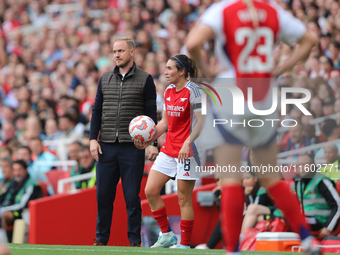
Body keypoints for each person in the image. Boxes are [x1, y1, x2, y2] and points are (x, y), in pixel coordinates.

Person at [186, 0, 321, 254]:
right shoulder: (272, 10)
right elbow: (310, 40)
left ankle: (232, 249)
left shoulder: (223, 9)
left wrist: (206, 70)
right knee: (270, 177)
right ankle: (306, 237)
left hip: (230, 94)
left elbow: (193, 43)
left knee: (230, 179)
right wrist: (280, 68)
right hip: (263, 97)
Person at [90, 37, 158, 247]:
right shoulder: (105, 78)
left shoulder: (146, 79)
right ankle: (101, 240)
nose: (117, 54)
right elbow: (97, 111)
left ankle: (135, 242)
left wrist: (152, 144)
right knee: (103, 196)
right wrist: (93, 139)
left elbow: (150, 115)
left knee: (131, 198)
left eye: (120, 51)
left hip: (132, 147)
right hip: (106, 145)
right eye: (114, 51)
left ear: (131, 52)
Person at [135, 54, 204, 249]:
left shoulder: (194, 91)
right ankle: (166, 235)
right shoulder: (168, 91)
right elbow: (164, 123)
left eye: (169, 68)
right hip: (170, 149)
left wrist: (187, 142)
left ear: (181, 71)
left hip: (190, 151)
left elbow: (201, 122)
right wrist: (148, 140)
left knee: (183, 198)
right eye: (165, 68)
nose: (165, 72)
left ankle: (185, 244)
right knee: (150, 190)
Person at [295, 154, 340, 238]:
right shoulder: (299, 183)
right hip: (306, 220)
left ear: (312, 165)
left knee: (294, 222)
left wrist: (328, 228)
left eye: (304, 165)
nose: (301, 168)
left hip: (320, 222)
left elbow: (338, 205)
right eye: (298, 165)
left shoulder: (322, 181)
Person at [0, 160, 42, 234]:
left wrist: (2, 209)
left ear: (26, 170)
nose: (17, 173)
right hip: (8, 210)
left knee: (2, 215)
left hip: (20, 213)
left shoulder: (32, 185)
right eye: (15, 170)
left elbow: (22, 206)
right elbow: (2, 197)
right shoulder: (12, 182)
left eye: (20, 170)